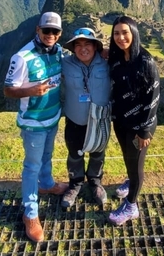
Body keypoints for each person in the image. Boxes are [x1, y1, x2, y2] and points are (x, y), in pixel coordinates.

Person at [3, 12, 68, 243]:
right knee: (31, 166)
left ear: (59, 34)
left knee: (47, 155)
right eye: (46, 30)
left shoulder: (58, 52)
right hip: (32, 123)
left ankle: (47, 184)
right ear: (38, 30)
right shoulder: (22, 57)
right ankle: (30, 213)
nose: (51, 35)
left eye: (55, 32)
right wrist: (31, 91)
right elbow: (8, 90)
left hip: (52, 117)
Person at [107, 16, 160, 226]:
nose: (121, 38)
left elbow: (153, 97)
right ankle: (131, 183)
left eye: (125, 33)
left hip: (141, 124)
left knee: (137, 164)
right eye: (117, 33)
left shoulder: (146, 62)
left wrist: (145, 130)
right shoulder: (117, 58)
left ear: (134, 33)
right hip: (121, 121)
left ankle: (131, 206)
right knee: (128, 157)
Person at [61, 27, 112, 208]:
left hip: (100, 119)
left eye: (88, 44)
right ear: (73, 48)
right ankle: (75, 184)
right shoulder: (64, 63)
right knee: (74, 153)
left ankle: (95, 182)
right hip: (75, 119)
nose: (83, 48)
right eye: (79, 45)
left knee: (98, 153)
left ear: (95, 46)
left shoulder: (108, 62)